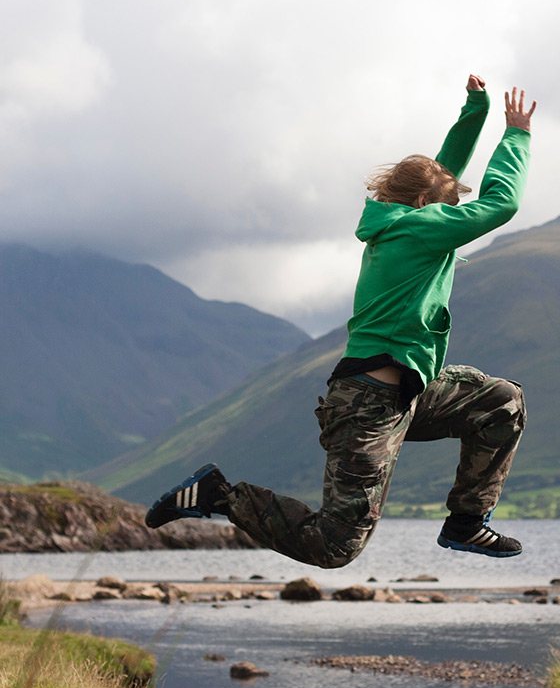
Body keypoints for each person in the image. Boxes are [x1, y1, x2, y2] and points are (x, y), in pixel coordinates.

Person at [146, 74, 536, 568]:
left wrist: (475, 111)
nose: (455, 211)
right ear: (425, 206)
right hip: (367, 405)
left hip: (413, 392)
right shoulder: (417, 229)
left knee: (501, 402)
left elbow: (442, 173)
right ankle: (220, 495)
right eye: (450, 204)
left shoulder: (404, 219)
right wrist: (516, 134)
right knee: (335, 547)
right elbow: (503, 203)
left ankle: (465, 523)